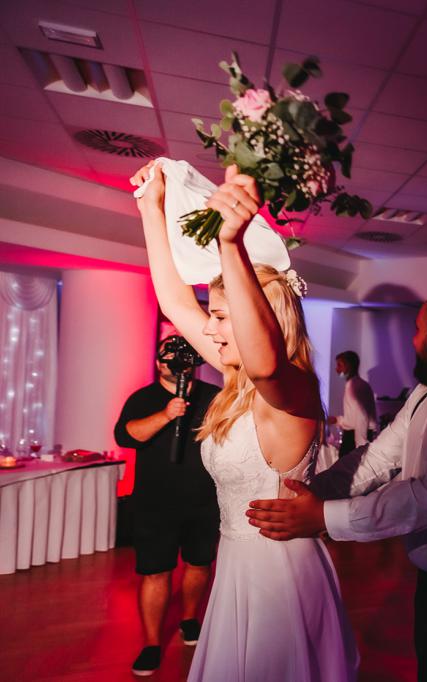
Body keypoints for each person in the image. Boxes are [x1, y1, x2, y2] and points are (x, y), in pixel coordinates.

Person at [130, 160, 358, 682]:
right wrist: (151, 207)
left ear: (263, 323)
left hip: (279, 576)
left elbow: (266, 362)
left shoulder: (291, 390)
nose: (208, 330)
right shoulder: (238, 383)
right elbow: (174, 301)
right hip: (235, 566)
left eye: (220, 317)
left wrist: (230, 242)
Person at [246, 292, 427, 682]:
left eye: (416, 330)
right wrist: (310, 492)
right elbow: (378, 458)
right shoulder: (424, 394)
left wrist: (326, 517)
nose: (412, 340)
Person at [114, 336, 220, 677]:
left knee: (199, 564)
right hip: (155, 503)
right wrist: (165, 414)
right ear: (159, 363)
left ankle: (189, 619)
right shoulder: (142, 398)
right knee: (155, 571)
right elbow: (126, 436)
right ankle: (151, 644)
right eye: (169, 355)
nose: (176, 360)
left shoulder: (214, 397)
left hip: (204, 500)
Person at [329, 350, 377, 453]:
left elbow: (361, 417)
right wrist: (337, 420)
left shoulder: (354, 386)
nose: (336, 369)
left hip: (354, 438)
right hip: (356, 436)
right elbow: (354, 417)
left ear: (348, 366)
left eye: (339, 365)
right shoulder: (359, 384)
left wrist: (360, 447)